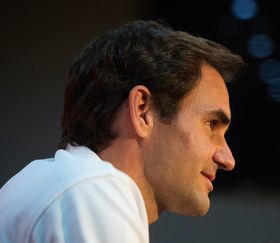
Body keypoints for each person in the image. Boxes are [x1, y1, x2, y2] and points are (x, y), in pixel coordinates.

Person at [0, 20, 245, 242]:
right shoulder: (92, 189)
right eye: (211, 124)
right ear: (142, 111)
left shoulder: (67, 183)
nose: (227, 159)